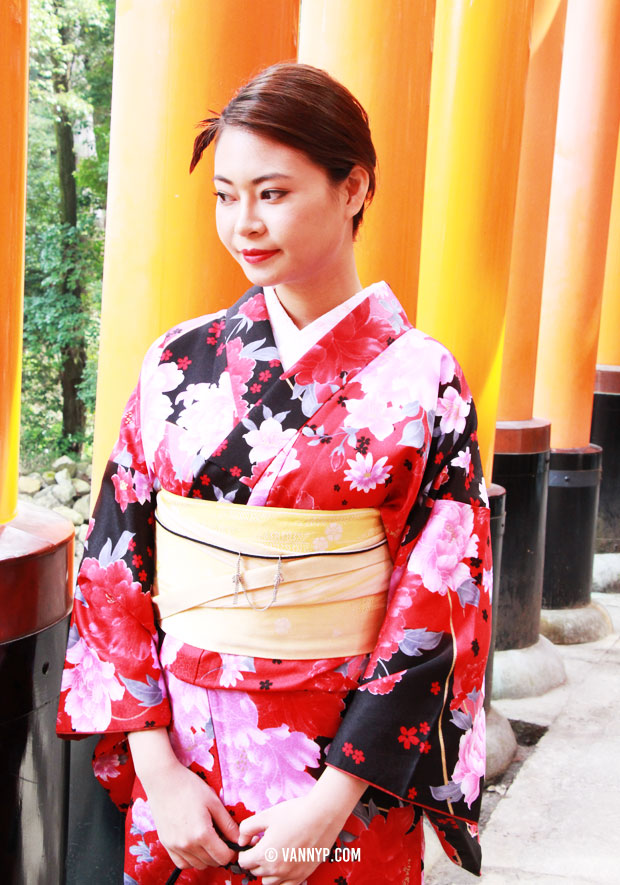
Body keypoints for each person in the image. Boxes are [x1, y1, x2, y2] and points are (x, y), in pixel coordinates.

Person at [57, 63, 492, 885]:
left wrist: (330, 804)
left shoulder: (423, 382)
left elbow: (438, 600)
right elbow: (115, 565)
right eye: (225, 195)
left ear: (353, 186)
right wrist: (160, 774)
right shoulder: (177, 364)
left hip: (344, 781)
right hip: (184, 771)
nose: (243, 223)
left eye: (272, 193)